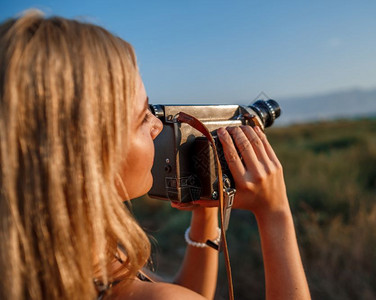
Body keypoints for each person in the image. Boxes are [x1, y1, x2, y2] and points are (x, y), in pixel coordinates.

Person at [0, 10, 310, 300]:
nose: (155, 127)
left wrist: (205, 211)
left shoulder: (59, 255)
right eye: (141, 118)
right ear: (85, 154)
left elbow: (180, 291)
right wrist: (275, 214)